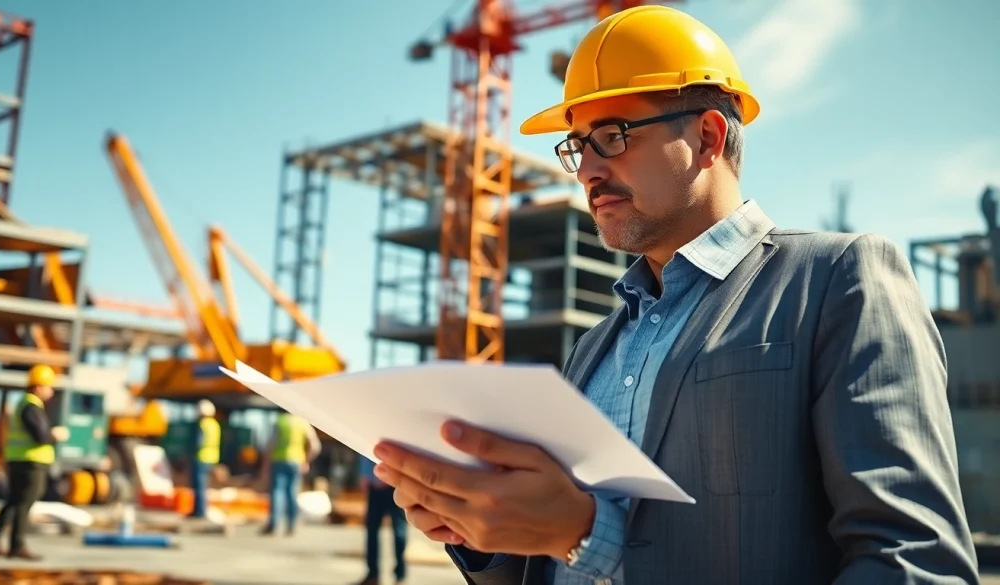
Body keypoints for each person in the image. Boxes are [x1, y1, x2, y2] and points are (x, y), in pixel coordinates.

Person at [370, 5, 980, 585]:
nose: (585, 171)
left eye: (610, 135)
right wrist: (487, 534)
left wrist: (587, 533)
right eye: (577, 146)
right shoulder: (593, 350)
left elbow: (916, 563)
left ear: (709, 137)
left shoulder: (837, 280)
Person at [0, 364, 69, 561]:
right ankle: (17, 545)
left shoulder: (23, 404)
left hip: (20, 460)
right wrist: (55, 434)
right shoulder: (31, 406)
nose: (51, 391)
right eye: (49, 386)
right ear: (38, 387)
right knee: (23, 502)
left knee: (13, 502)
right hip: (30, 463)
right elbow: (40, 436)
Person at [260, 411, 321, 535]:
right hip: (296, 462)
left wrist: (266, 463)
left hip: (279, 461)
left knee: (277, 492)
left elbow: (271, 444)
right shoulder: (303, 422)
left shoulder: (281, 421)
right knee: (292, 493)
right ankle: (292, 525)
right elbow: (315, 446)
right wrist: (306, 461)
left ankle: (274, 524)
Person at [355, 455, 407, 585]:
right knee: (372, 531)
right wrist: (365, 474)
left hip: (394, 486)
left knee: (399, 532)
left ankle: (399, 576)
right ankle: (373, 574)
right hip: (375, 486)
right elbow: (364, 453)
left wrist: (388, 477)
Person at [191, 399, 220, 519]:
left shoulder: (203, 424)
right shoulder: (215, 424)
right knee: (206, 486)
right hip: (212, 458)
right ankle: (203, 510)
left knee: (199, 487)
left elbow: (198, 442)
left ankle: (200, 512)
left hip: (201, 458)